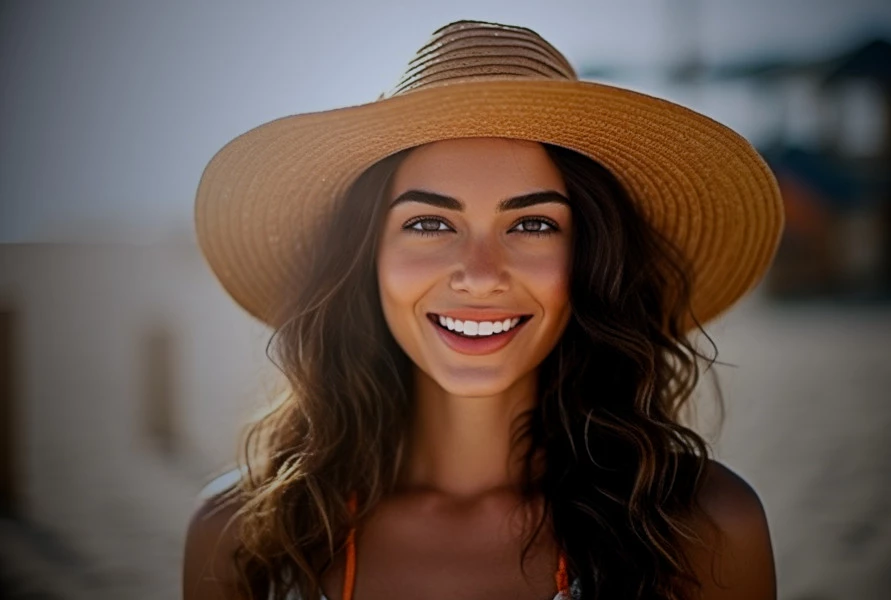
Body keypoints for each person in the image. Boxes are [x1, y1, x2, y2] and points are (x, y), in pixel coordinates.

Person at [183, 20, 781, 600]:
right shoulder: (242, 538)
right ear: (365, 260)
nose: (480, 275)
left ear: (590, 262)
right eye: (428, 222)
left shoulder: (705, 530)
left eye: (532, 224)